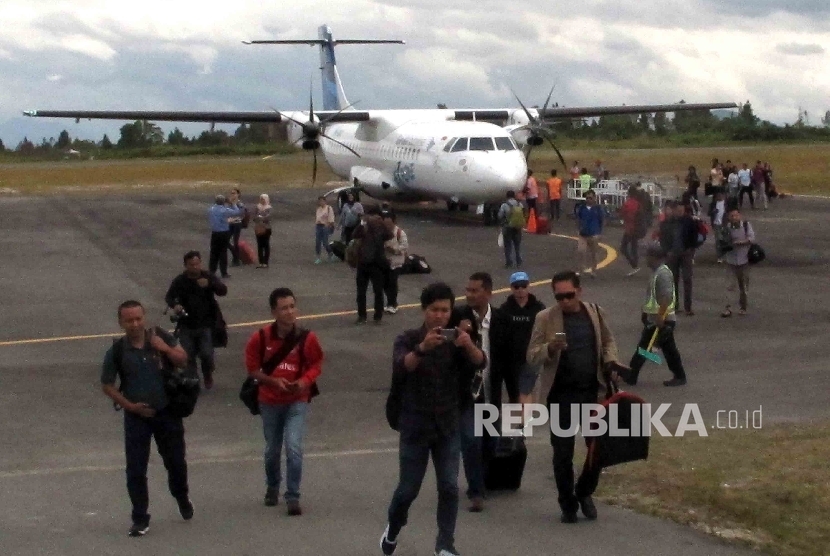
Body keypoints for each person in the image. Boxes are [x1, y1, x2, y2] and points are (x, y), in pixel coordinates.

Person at [380, 282, 486, 556]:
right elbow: (402, 365)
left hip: (448, 424)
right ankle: (393, 528)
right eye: (434, 310)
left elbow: (481, 362)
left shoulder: (457, 340)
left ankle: (445, 544)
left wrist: (468, 345)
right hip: (415, 425)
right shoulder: (408, 337)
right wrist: (422, 348)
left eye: (445, 310)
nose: (440, 316)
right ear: (424, 310)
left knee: (449, 487)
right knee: (408, 490)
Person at [523, 271, 625, 523]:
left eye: (569, 295)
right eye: (559, 297)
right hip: (561, 396)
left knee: (598, 448)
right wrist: (550, 348)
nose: (565, 301)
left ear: (579, 291)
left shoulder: (595, 312)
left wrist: (612, 361)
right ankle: (567, 502)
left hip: (592, 391)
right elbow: (531, 355)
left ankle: (584, 491)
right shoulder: (545, 318)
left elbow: (608, 340)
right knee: (562, 453)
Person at [101, 300, 191, 537]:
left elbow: (182, 359)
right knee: (135, 469)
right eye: (129, 320)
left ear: (145, 318)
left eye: (138, 318)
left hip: (167, 413)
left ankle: (181, 495)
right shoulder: (118, 350)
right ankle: (140, 517)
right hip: (137, 418)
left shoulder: (159, 337)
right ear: (121, 323)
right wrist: (130, 406)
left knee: (175, 462)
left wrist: (165, 348)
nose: (134, 324)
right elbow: (107, 385)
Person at [244, 288, 324, 515]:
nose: (289, 312)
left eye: (292, 306)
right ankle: (272, 485)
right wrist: (272, 381)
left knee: (294, 448)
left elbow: (316, 364)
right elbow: (252, 370)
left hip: (297, 400)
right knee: (272, 449)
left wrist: (303, 382)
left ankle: (293, 495)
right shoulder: (259, 338)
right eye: (283, 308)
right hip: (269, 401)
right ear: (274, 312)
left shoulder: (307, 338)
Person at [450, 272, 508, 513]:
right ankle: (476, 491)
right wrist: (458, 335)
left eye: (475, 290)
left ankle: (480, 479)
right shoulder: (457, 317)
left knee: (490, 442)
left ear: (488, 293)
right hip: (465, 394)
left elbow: (509, 360)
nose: (470, 295)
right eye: (468, 290)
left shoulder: (502, 319)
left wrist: (515, 396)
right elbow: (448, 355)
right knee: (470, 440)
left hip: (490, 391)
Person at [622, 243, 687, 387]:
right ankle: (679, 375)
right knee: (666, 350)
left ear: (654, 257)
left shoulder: (663, 274)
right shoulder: (657, 272)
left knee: (645, 348)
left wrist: (660, 317)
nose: (645, 259)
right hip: (657, 319)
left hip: (662, 320)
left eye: (647, 256)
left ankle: (632, 375)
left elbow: (666, 297)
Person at [164, 251, 228, 389]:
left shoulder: (208, 277)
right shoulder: (180, 281)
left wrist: (211, 284)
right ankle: (193, 379)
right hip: (186, 324)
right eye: (191, 264)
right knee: (188, 355)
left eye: (197, 264)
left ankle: (207, 373)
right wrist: (175, 305)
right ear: (186, 265)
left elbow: (223, 290)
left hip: (206, 323)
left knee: (206, 354)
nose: (195, 267)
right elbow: (169, 297)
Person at [496, 271, 545, 406]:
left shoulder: (539, 308)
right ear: (511, 288)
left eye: (523, 286)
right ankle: (518, 418)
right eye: (516, 286)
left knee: (525, 389)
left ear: (528, 286)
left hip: (531, 356)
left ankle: (524, 420)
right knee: (514, 390)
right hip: (511, 357)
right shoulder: (505, 309)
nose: (520, 290)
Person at [353, 206, 393, 324]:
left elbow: (354, 235)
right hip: (376, 262)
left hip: (365, 262)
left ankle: (362, 316)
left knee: (362, 291)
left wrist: (362, 223)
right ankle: (377, 316)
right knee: (377, 291)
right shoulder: (380, 224)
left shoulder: (365, 224)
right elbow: (389, 235)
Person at [659, 201, 697, 316]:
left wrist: (691, 249)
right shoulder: (667, 223)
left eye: (682, 210)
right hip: (672, 254)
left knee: (687, 279)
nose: (680, 212)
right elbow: (663, 238)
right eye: (678, 210)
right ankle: (675, 305)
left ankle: (688, 307)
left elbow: (694, 236)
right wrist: (667, 251)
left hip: (686, 253)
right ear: (674, 210)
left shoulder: (689, 221)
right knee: (673, 280)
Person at [719, 208, 756, 317]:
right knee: (729, 286)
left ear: (740, 215)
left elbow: (752, 238)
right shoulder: (726, 228)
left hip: (744, 260)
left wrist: (742, 242)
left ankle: (743, 307)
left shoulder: (745, 225)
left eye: (736, 215)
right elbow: (722, 242)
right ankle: (728, 308)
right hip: (731, 261)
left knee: (743, 287)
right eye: (732, 216)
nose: (734, 218)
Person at [207, 194, 243, 278]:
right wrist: (233, 204)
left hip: (215, 233)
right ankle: (224, 272)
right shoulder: (225, 210)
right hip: (224, 233)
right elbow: (237, 212)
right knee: (223, 252)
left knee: (213, 252)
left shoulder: (211, 209)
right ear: (223, 202)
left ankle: (212, 271)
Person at [383, 211, 408, 314]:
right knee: (385, 283)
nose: (387, 226)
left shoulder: (400, 233)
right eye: (385, 224)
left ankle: (393, 304)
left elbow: (404, 246)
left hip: (396, 262)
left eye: (389, 224)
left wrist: (394, 249)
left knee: (393, 282)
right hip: (385, 261)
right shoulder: (383, 232)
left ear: (394, 222)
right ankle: (389, 302)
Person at [575, 189, 603, 277]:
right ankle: (580, 269)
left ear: (594, 198)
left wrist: (599, 232)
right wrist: (578, 229)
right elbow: (578, 219)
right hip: (583, 234)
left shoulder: (598, 209)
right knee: (581, 251)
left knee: (594, 253)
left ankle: (593, 270)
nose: (588, 200)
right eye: (587, 198)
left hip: (594, 234)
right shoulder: (582, 208)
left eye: (590, 198)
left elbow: (602, 220)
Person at [497, 191, 525, 268]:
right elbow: (523, 213)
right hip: (517, 227)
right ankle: (518, 261)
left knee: (508, 246)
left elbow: (500, 215)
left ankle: (509, 262)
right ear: (514, 196)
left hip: (508, 227)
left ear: (507, 196)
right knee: (517, 245)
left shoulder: (504, 205)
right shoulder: (519, 204)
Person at [619, 185, 642, 276]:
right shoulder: (638, 204)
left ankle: (634, 265)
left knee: (623, 247)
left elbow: (622, 214)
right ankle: (635, 264)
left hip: (629, 228)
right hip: (637, 228)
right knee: (634, 246)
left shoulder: (627, 203)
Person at [227, 188, 246, 267]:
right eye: (231, 193)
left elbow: (241, 214)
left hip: (237, 224)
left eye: (234, 193)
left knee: (235, 241)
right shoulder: (229, 204)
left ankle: (236, 259)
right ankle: (236, 256)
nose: (232, 195)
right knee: (226, 241)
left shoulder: (240, 204)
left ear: (238, 194)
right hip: (230, 223)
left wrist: (233, 204)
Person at [253, 194, 272, 269]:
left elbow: (269, 217)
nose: (262, 200)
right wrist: (260, 218)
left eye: (264, 199)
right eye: (261, 199)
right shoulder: (257, 207)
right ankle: (261, 262)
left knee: (266, 244)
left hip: (267, 228)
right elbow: (254, 217)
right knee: (259, 245)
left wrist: (261, 217)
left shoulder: (269, 208)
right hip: (258, 228)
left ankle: (265, 262)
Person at [315, 196, 336, 264]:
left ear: (325, 201)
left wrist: (329, 225)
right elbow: (317, 218)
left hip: (325, 226)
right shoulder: (318, 209)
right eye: (320, 201)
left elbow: (331, 218)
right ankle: (318, 257)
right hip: (318, 226)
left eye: (322, 201)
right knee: (317, 242)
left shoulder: (329, 208)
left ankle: (330, 253)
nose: (321, 202)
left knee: (325, 242)